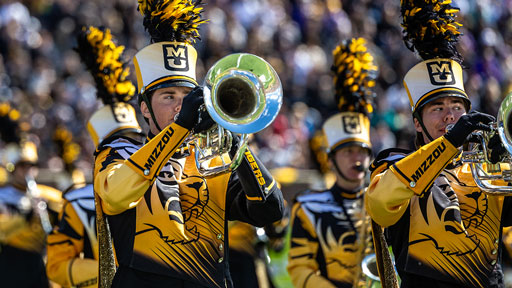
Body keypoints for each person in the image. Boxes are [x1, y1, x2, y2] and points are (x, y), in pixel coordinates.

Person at [93, 1, 284, 288]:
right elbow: (115, 196)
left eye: (186, 96)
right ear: (144, 108)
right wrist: (181, 128)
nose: (179, 106)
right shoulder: (119, 151)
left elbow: (270, 211)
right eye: (168, 96)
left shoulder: (214, 161)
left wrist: (237, 146)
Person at [365, 1, 510, 287]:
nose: (450, 116)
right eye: (437, 108)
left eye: (457, 107)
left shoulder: (488, 171)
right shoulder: (394, 163)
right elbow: (379, 205)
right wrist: (449, 143)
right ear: (417, 123)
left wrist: (505, 156)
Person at [46, 26, 143, 288]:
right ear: (100, 152)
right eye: (116, 144)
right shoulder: (78, 203)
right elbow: (56, 266)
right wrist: (109, 276)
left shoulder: (162, 183)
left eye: (134, 142)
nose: (127, 150)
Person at [287, 37, 377, 288]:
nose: (356, 158)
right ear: (330, 160)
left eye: (361, 151)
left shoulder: (383, 203)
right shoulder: (308, 206)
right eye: (347, 152)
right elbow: (299, 270)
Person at [0, 102, 63, 288]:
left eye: (30, 166)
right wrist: (26, 214)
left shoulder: (45, 194)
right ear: (12, 169)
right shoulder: (2, 195)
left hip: (38, 263)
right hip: (10, 263)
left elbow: (67, 216)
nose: (27, 172)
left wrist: (51, 212)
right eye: (22, 167)